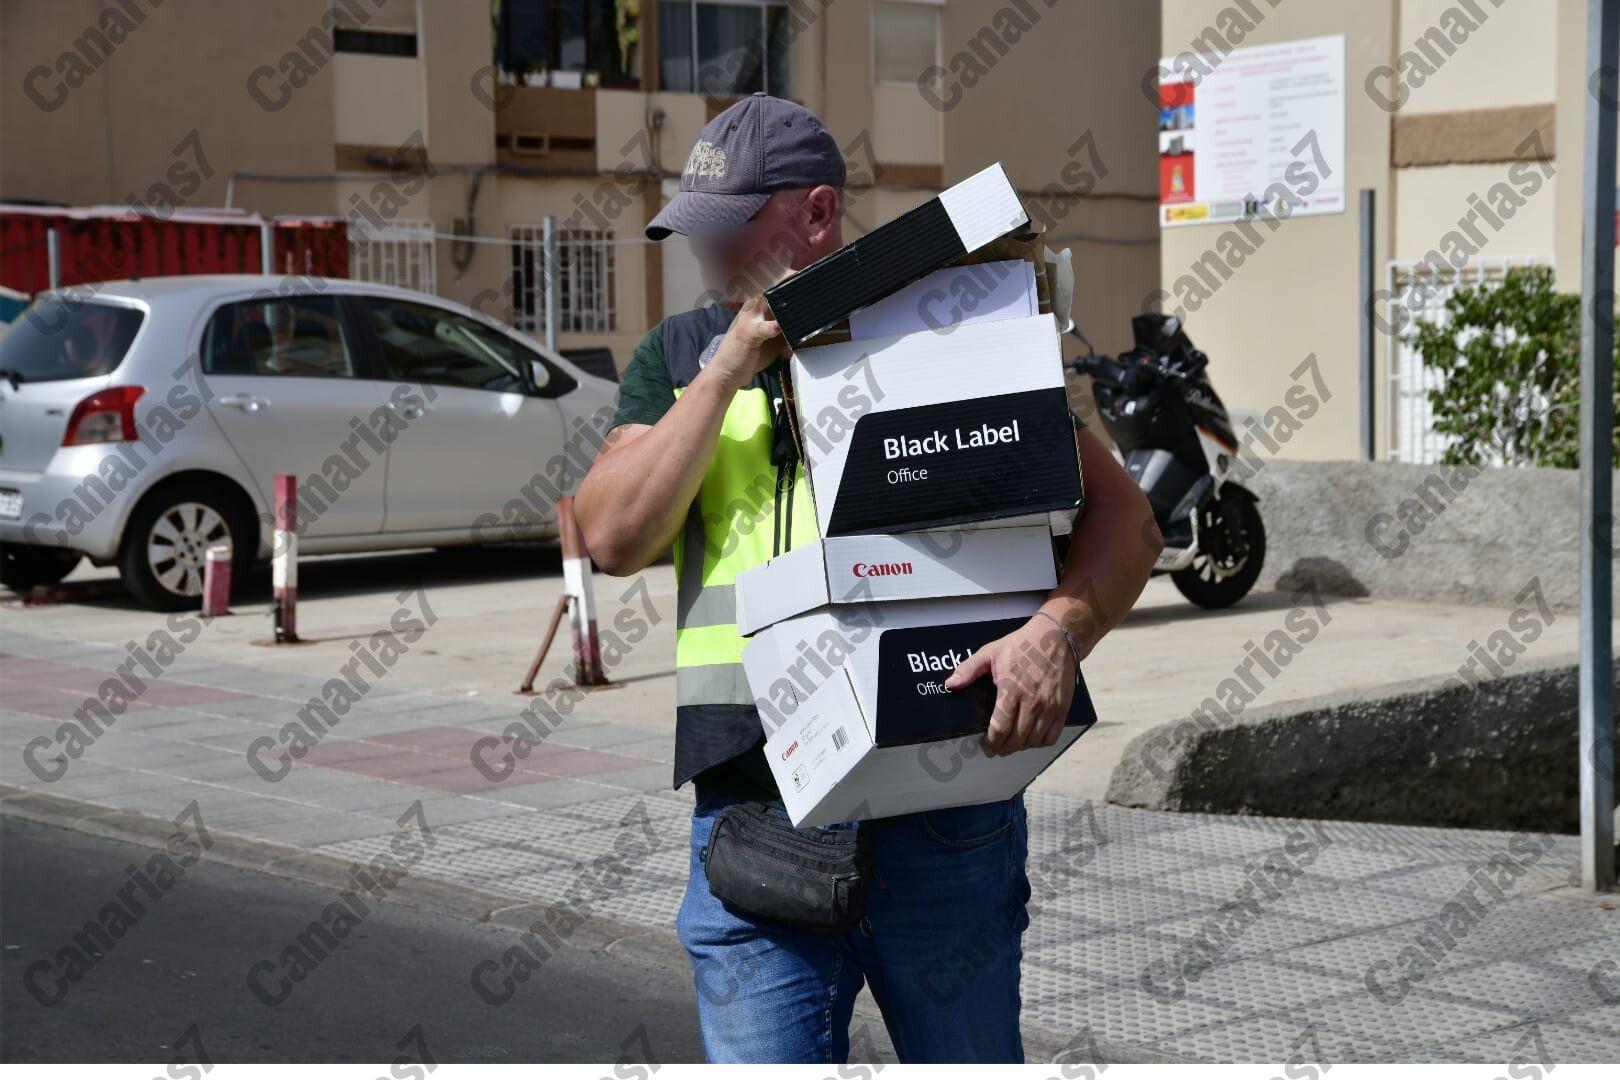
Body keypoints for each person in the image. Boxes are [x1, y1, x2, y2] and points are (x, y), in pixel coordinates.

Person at [575, 93, 1161, 1064]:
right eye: (697, 233)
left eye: (733, 230)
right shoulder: (680, 357)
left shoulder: (945, 335)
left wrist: (1056, 633)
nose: (708, 256)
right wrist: (727, 371)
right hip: (757, 812)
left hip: (946, 816)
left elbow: (1127, 523)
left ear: (816, 213)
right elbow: (612, 537)